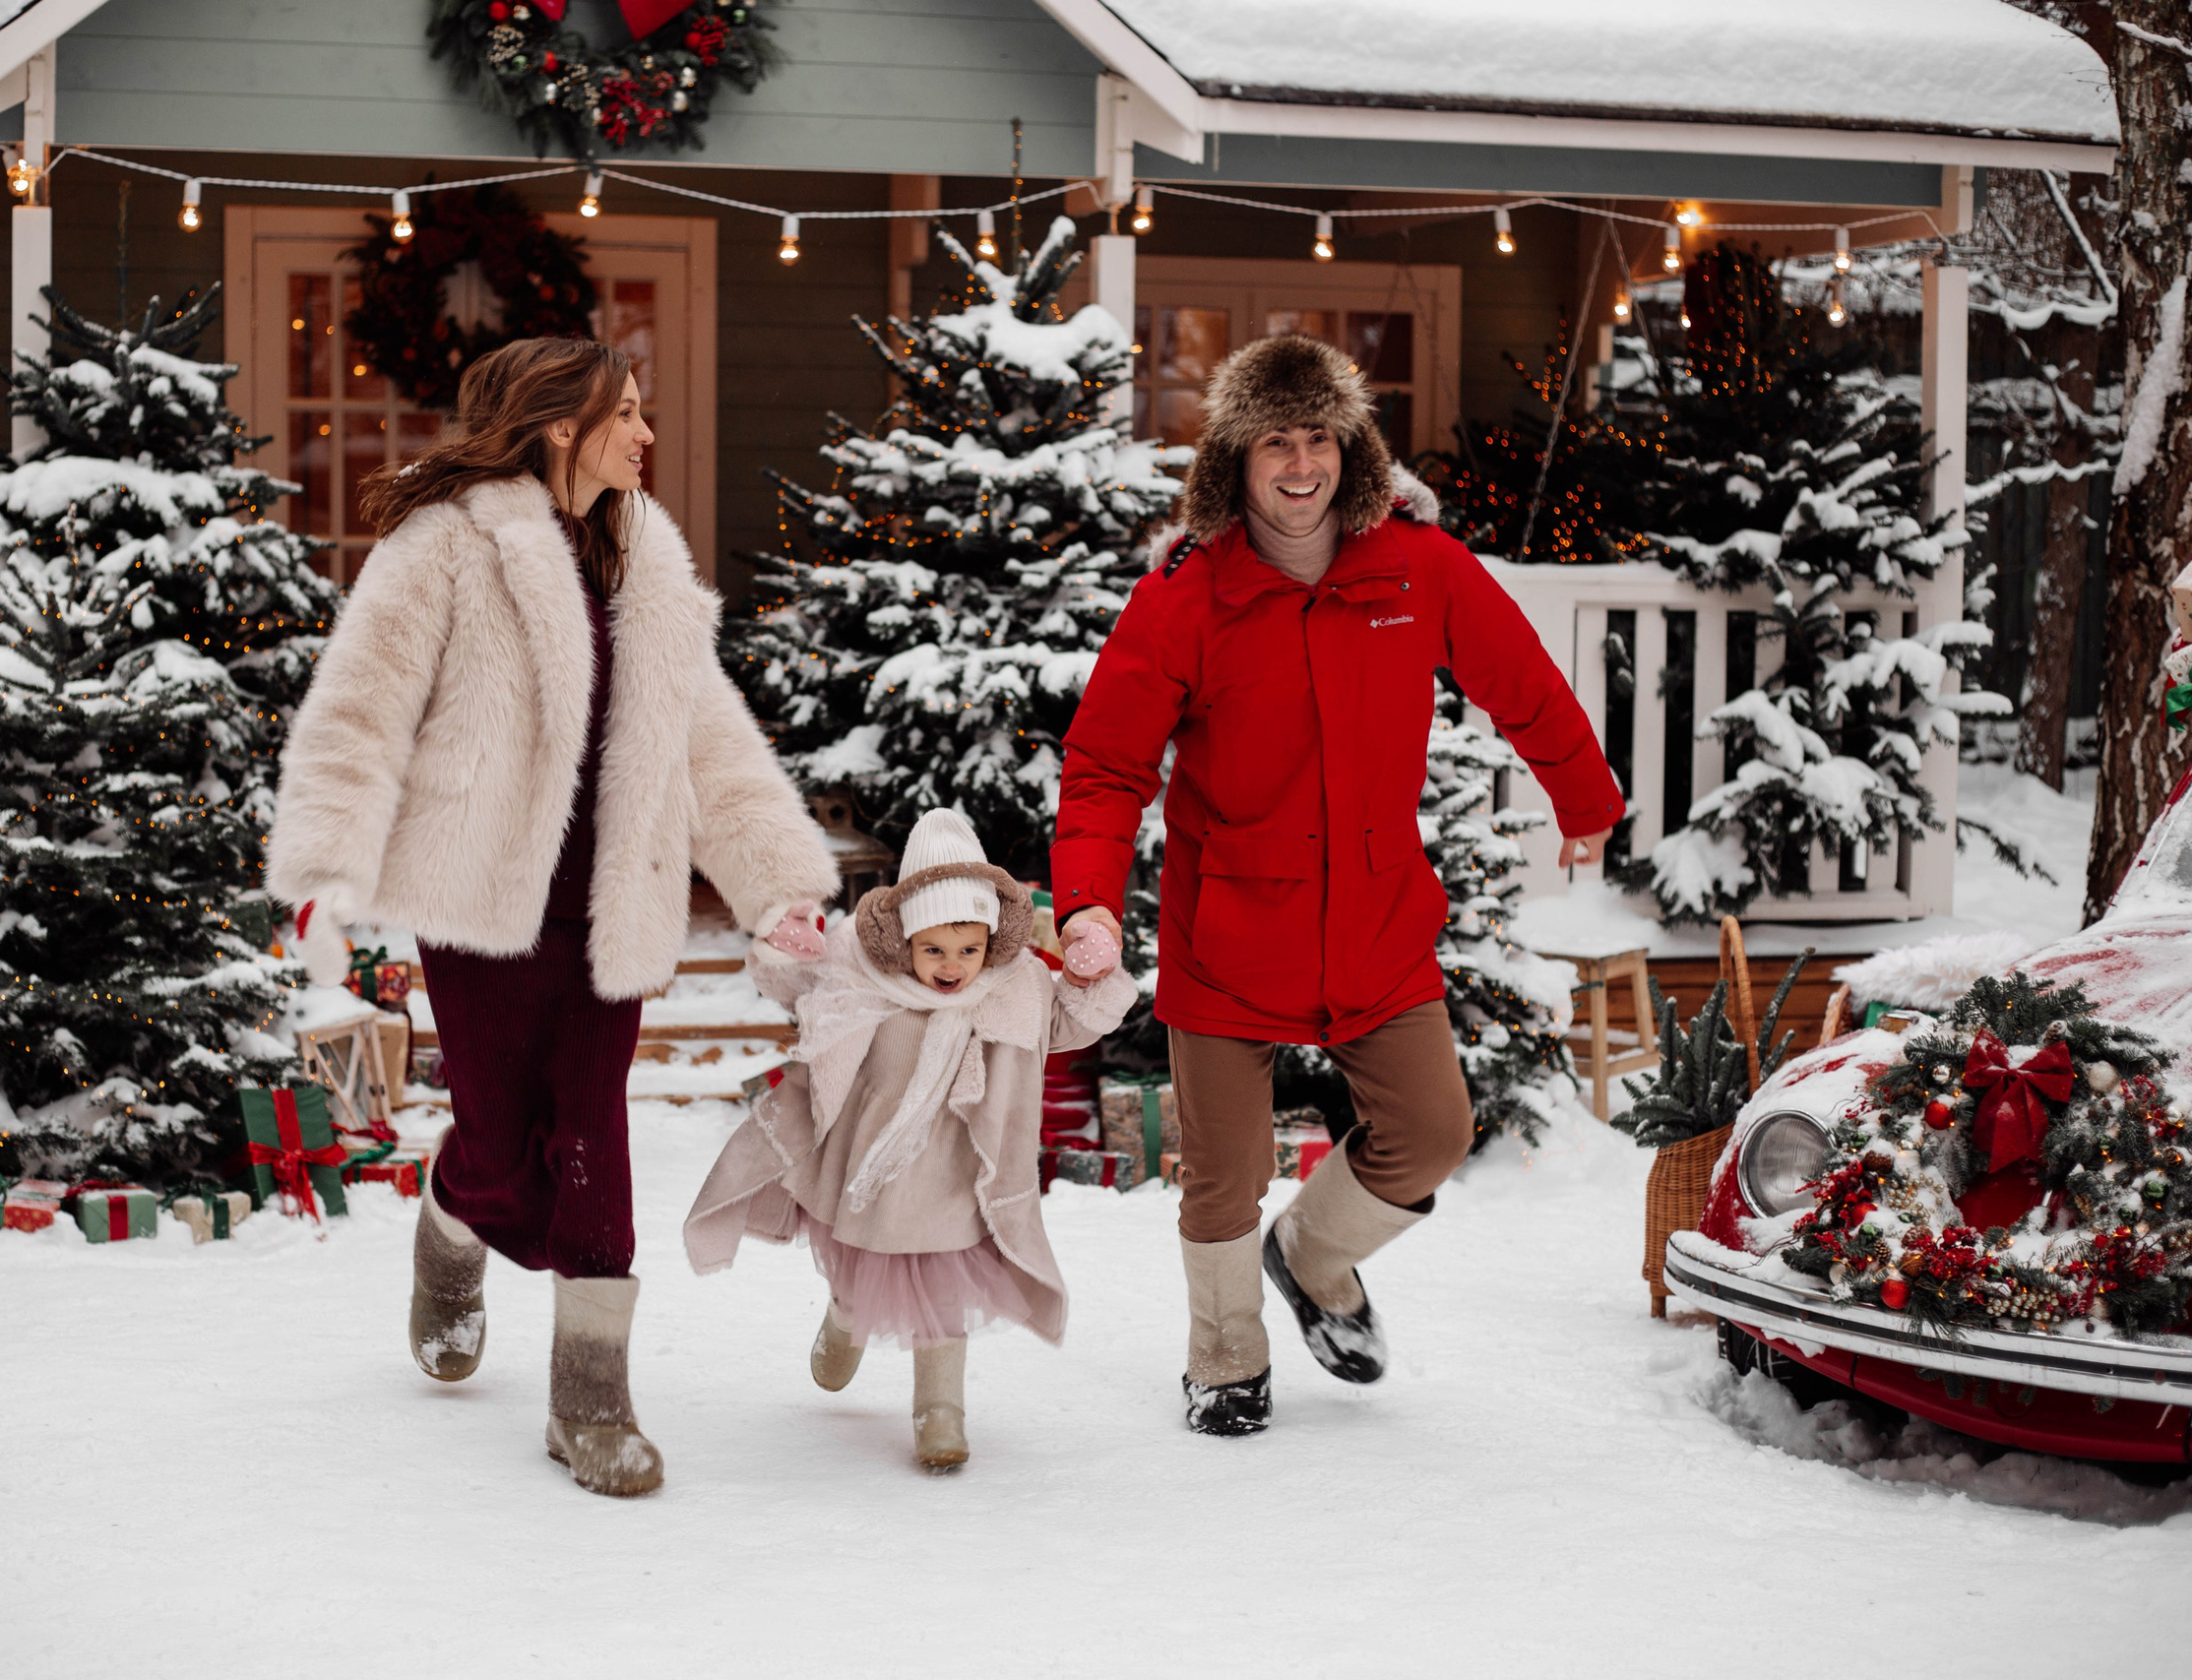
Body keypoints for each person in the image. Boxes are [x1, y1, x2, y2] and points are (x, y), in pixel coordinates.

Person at [268, 339, 836, 1497]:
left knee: (591, 1132)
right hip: (483, 899)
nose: (645, 435)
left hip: (609, 898)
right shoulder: (448, 545)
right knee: (497, 1134)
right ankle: (452, 1212)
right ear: (557, 426)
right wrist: (329, 856)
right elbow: (364, 704)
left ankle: (591, 1395)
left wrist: (775, 884)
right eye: (623, 415)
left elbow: (708, 739)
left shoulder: (649, 562)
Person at [1052, 335, 1622, 1436]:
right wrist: (1085, 899)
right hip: (1229, 928)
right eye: (1275, 441)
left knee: (1432, 1132)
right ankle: (1224, 1359)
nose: (1299, 463)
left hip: (1373, 920)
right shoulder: (1186, 594)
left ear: (1348, 448)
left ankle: (1312, 1257)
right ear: (1236, 459)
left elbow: (1523, 682)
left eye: (1318, 437)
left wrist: (1584, 802)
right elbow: (1107, 764)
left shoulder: (1416, 566)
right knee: (1220, 1176)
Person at [683, 809, 1134, 1470]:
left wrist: (1090, 974)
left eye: (967, 950)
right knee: (859, 1265)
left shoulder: (1012, 988)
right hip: (869, 1168)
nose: (951, 967)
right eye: (933, 950)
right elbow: (798, 988)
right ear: (905, 941)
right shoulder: (861, 971)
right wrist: (789, 945)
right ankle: (845, 1320)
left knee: (942, 1291)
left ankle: (940, 1408)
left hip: (954, 1175)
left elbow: (1064, 1020)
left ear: (989, 942)